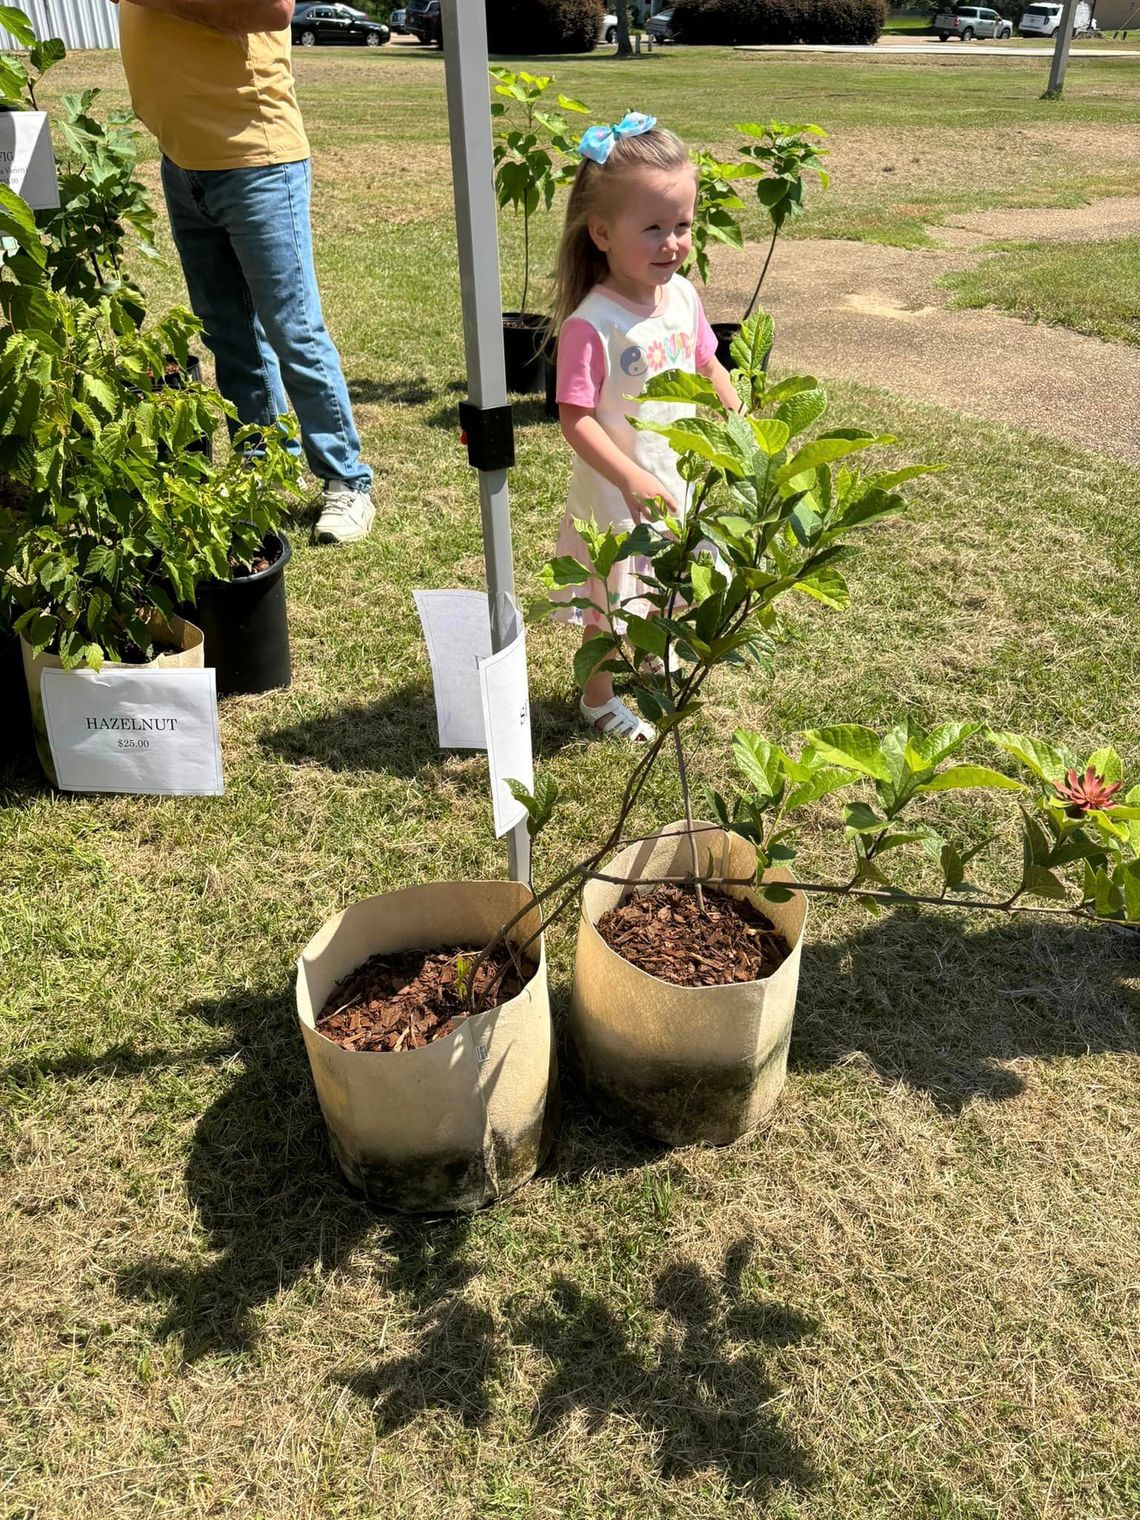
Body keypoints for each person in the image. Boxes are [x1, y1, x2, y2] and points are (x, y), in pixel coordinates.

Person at [115, 0, 375, 545]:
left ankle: (347, 481)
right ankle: (260, 473)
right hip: (182, 158)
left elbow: (274, 8)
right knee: (226, 332)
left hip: (256, 159)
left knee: (292, 330)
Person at [549, 114, 740, 741]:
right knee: (607, 604)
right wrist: (628, 475)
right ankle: (598, 697)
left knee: (670, 579)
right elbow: (574, 417)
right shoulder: (593, 321)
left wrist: (732, 412)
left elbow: (706, 357)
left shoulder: (682, 296)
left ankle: (655, 655)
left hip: (673, 478)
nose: (672, 243)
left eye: (682, 226)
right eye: (653, 227)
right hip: (615, 492)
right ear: (601, 232)